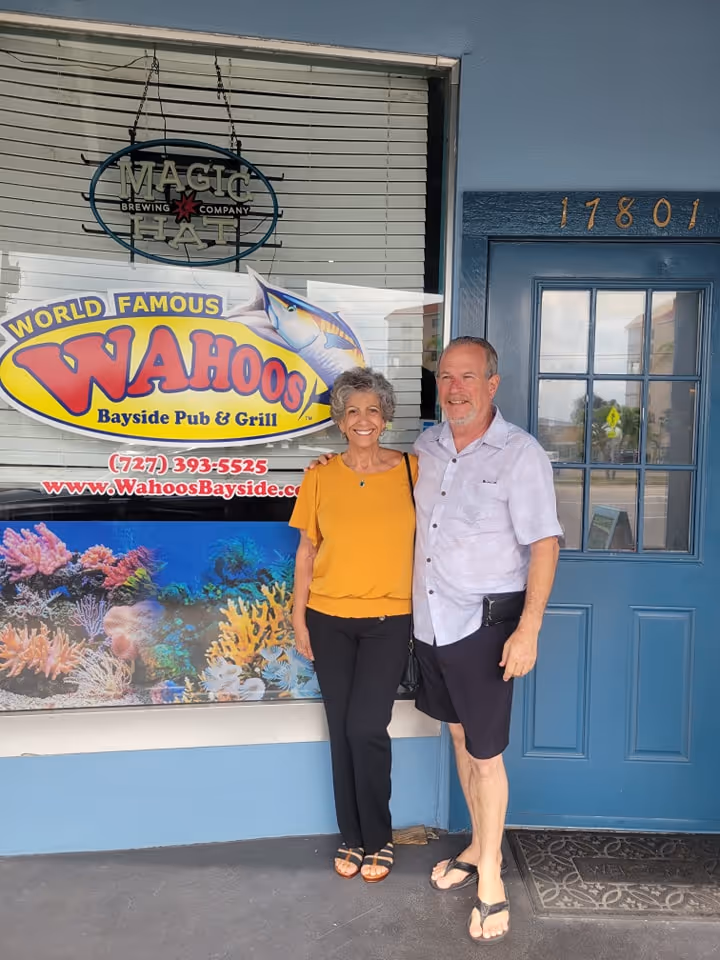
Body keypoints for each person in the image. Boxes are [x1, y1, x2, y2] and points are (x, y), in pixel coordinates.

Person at [416, 336, 561, 943]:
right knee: (457, 735)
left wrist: (528, 630)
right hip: (430, 622)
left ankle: (494, 881)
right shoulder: (425, 446)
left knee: (486, 753)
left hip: (484, 627)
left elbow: (545, 544)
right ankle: (477, 844)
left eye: (468, 377)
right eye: (447, 376)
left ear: (492, 384)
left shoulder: (519, 454)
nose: (455, 388)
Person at [289, 366, 418, 883]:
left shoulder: (416, 471)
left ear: (385, 417)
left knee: (367, 727)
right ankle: (353, 838)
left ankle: (380, 837)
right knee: (341, 732)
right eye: (351, 411)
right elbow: (306, 550)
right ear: (340, 422)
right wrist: (299, 617)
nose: (362, 419)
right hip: (327, 619)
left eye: (372, 409)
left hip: (389, 620)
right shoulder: (319, 475)